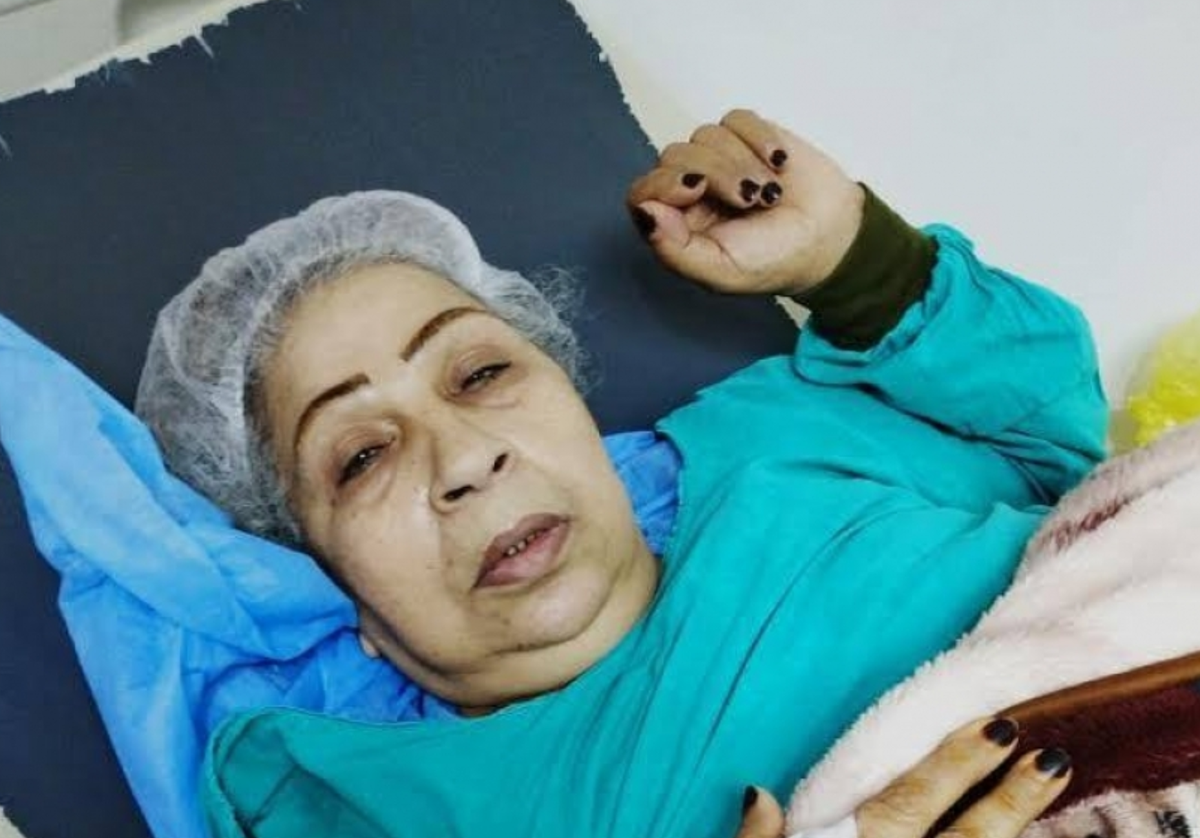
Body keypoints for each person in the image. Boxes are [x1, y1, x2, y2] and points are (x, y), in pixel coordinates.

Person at [135, 110, 1108, 838]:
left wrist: (850, 258)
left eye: (479, 373)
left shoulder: (770, 436)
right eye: (361, 456)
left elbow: (1058, 459)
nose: (467, 459)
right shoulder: (375, 804)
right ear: (326, 582)